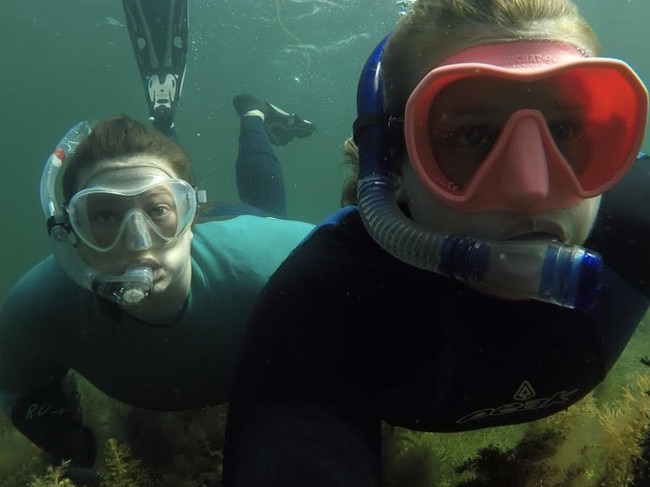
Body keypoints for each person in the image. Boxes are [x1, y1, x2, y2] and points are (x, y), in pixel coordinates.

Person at [221, 0, 650, 485]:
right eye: (472, 136)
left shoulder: (638, 212)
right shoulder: (329, 295)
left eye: (565, 129)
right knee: (257, 221)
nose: (531, 186)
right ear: (392, 167)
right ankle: (253, 125)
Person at [0, 1, 316, 485]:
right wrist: (65, 440)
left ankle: (252, 114)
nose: (138, 241)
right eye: (104, 216)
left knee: (270, 211)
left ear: (192, 217)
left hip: (239, 226)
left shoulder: (267, 258)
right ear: (69, 234)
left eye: (159, 210)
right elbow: (13, 386)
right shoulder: (40, 306)